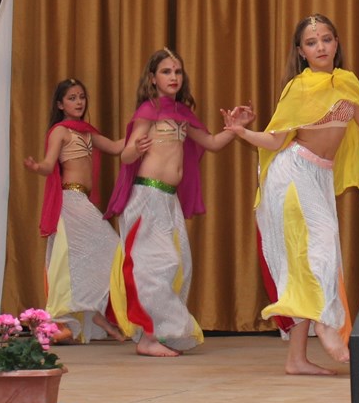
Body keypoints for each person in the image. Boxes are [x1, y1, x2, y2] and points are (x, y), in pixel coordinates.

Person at [224, 14, 359, 375]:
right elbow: (276, 140)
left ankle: (296, 359)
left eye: (326, 39)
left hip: (320, 175)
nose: (321, 47)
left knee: (306, 261)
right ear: (301, 51)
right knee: (321, 249)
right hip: (293, 173)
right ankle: (326, 322)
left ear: (337, 43)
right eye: (311, 42)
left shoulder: (347, 81)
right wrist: (242, 132)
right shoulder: (299, 87)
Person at [104, 48, 253, 357]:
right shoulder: (148, 110)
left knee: (177, 263)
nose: (173, 77)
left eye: (178, 72)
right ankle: (148, 338)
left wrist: (237, 128)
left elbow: (212, 143)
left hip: (168, 201)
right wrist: (135, 149)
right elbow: (127, 155)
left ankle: (158, 332)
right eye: (166, 71)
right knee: (154, 265)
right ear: (152, 78)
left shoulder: (183, 113)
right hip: (146, 197)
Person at [23, 78, 125, 344]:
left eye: (81, 97)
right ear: (60, 104)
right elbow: (49, 165)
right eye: (72, 98)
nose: (79, 102)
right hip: (69, 201)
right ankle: (65, 321)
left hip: (82, 201)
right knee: (76, 259)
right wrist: (37, 167)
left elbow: (116, 147)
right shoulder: (60, 132)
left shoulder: (87, 132)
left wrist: (143, 129)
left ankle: (94, 314)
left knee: (88, 258)